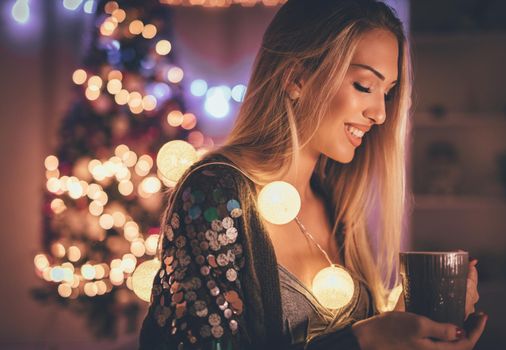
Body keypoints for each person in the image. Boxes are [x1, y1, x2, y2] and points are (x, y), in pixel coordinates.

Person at [139, 0, 487, 349]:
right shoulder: (214, 192)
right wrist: (362, 342)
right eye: (365, 86)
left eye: (389, 92)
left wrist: (410, 328)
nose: (380, 113)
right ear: (296, 79)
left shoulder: (336, 202)